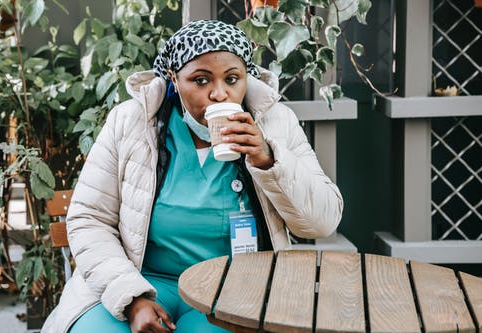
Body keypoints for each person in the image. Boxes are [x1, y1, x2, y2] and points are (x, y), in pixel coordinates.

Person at [42, 20, 343, 333]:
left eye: (232, 79)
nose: (219, 94)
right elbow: (89, 220)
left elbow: (323, 222)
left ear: (247, 78)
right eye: (200, 80)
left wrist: (269, 159)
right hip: (141, 281)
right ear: (174, 78)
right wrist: (131, 298)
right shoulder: (131, 123)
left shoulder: (276, 123)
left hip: (233, 288)